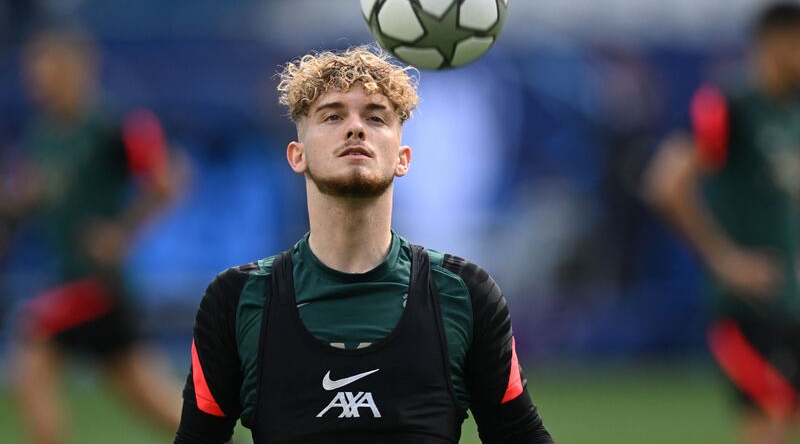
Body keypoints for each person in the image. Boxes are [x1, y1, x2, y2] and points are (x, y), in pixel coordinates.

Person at [174, 47, 554, 444]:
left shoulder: (464, 294)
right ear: (297, 155)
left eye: (375, 117)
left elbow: (520, 435)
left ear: (402, 158)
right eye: (333, 115)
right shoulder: (235, 300)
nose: (355, 128)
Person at [4, 27, 183, 444]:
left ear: (76, 68)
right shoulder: (45, 134)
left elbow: (170, 180)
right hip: (71, 277)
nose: (35, 77)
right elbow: (28, 196)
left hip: (96, 281)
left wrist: (121, 233)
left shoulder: (111, 124)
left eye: (44, 65)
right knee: (146, 396)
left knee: (31, 337)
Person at [645, 0, 800, 444]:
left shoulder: (790, 111)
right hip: (746, 308)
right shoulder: (732, 105)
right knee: (768, 422)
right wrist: (725, 259)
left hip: (789, 300)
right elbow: (665, 182)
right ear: (776, 43)